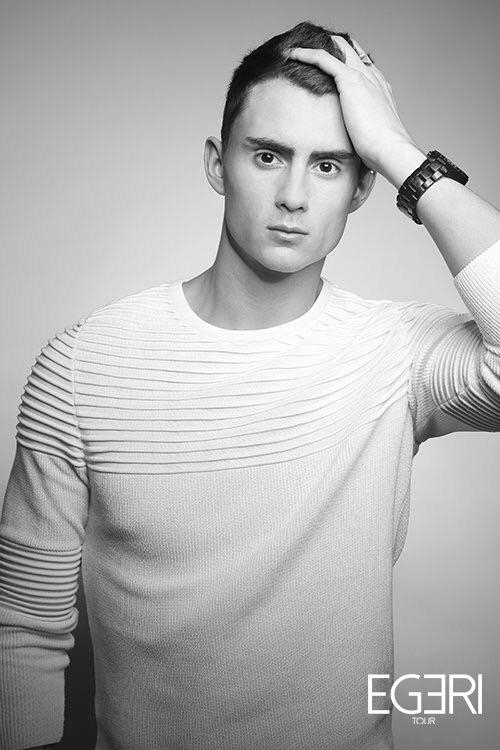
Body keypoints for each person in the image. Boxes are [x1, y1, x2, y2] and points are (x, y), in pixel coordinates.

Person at [1, 19, 499, 750]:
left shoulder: (395, 355)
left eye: (329, 165)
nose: (293, 195)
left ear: (364, 187)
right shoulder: (82, 366)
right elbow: (23, 631)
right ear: (218, 164)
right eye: (268, 155)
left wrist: (400, 153)